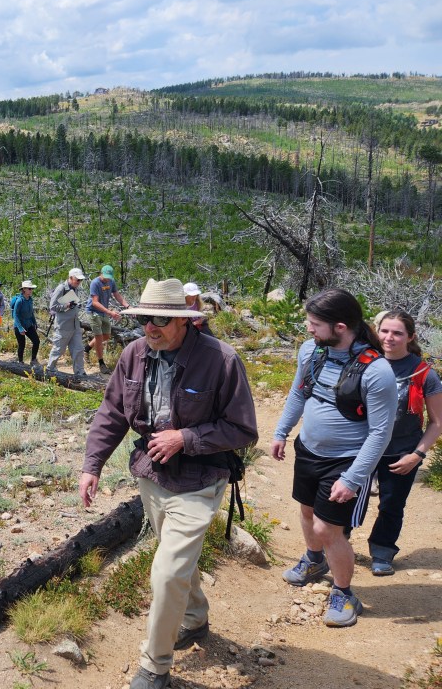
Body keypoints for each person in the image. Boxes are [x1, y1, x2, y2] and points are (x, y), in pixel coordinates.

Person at [79, 278, 258, 689]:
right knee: (176, 561)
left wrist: (186, 438)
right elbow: (112, 414)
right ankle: (194, 620)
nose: (150, 327)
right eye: (144, 318)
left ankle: (154, 668)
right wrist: (92, 465)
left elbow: (244, 429)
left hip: (200, 480)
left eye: (160, 319)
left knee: (165, 571)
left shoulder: (221, 360)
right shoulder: (134, 355)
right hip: (153, 478)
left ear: (184, 321)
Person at [271, 288, 397, 628]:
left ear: (340, 327)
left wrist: (354, 478)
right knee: (308, 511)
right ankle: (314, 560)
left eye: (315, 324)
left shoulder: (377, 371)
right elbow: (298, 393)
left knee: (328, 528)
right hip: (308, 450)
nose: (309, 329)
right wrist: (282, 432)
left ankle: (344, 593)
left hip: (346, 460)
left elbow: (380, 434)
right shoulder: (311, 350)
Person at [360, 310, 441, 575]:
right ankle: (335, 543)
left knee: (392, 504)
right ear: (376, 330)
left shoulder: (424, 373)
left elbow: (437, 422)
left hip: (402, 452)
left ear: (410, 337)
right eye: (384, 331)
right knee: (347, 498)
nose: (389, 338)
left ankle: (382, 551)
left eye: (397, 333)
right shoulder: (363, 363)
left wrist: (417, 454)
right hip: (361, 448)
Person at [46, 268, 88, 378]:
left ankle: (80, 372)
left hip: (75, 324)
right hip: (63, 325)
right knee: (58, 349)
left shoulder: (76, 288)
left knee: (78, 349)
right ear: (70, 278)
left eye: (80, 280)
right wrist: (67, 305)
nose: (79, 282)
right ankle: (50, 369)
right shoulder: (61, 288)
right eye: (77, 280)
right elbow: (53, 307)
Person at [87, 264, 129, 372]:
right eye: (105, 276)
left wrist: (127, 306)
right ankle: (101, 363)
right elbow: (95, 303)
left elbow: (117, 295)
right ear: (101, 273)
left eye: (109, 277)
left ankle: (86, 349)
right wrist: (110, 313)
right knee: (99, 337)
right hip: (94, 312)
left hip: (104, 312)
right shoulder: (95, 283)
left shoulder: (111, 281)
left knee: (106, 335)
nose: (107, 279)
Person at [11, 280, 40, 365]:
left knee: (36, 341)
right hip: (19, 325)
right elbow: (15, 315)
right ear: (24, 289)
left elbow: (31, 313)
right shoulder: (20, 301)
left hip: (28, 325)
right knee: (22, 344)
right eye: (29, 289)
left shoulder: (30, 300)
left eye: (31, 289)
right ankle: (20, 362)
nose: (31, 290)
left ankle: (33, 360)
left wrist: (34, 323)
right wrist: (20, 328)